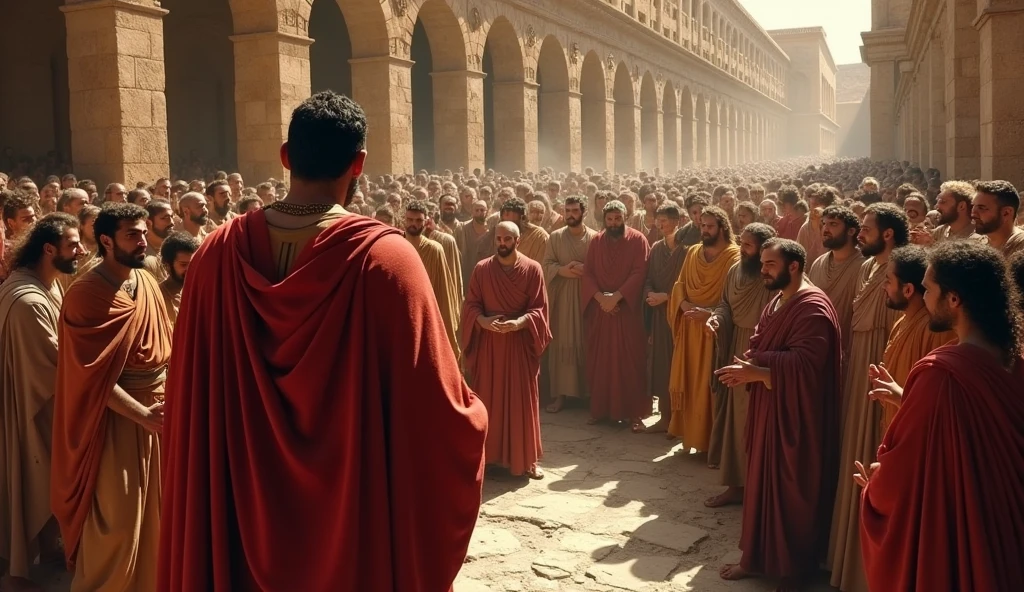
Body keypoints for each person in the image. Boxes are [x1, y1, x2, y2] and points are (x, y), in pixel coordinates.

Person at [158, 91, 487, 592]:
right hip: (350, 532)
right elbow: (437, 410)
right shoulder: (386, 261)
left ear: (286, 157)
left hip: (236, 523)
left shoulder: (214, 256)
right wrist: (476, 415)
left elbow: (191, 401)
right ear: (359, 164)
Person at [858, 240, 1024, 591]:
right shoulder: (1016, 362)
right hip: (1009, 538)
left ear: (953, 299)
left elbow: (900, 475)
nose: (923, 295)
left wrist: (874, 486)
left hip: (959, 533)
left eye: (929, 288)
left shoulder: (940, 373)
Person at [51, 203, 172, 591]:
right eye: (131, 235)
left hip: (161, 417)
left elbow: (167, 350)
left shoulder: (149, 282)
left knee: (161, 517)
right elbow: (88, 375)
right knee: (118, 524)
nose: (142, 240)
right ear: (105, 241)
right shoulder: (86, 294)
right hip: (114, 424)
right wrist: (141, 414)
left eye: (142, 232)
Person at [716, 238, 841, 591]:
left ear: (794, 266)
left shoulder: (813, 306)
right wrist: (752, 363)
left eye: (771, 264)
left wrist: (759, 371)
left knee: (792, 490)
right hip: (770, 407)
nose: (763, 269)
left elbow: (809, 366)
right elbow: (761, 340)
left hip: (797, 416)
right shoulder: (776, 300)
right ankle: (754, 559)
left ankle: (794, 570)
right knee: (760, 485)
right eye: (764, 263)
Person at [828, 202, 909, 592]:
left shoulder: (903, 271)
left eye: (867, 229)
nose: (860, 234)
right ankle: (843, 559)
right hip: (857, 371)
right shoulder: (866, 267)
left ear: (888, 234)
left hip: (882, 377)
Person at [0, 213, 82, 592]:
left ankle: (52, 553)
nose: (81, 249)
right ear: (48, 249)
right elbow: (56, 368)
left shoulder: (50, 284)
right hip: (33, 409)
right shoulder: (27, 300)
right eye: (72, 244)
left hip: (50, 404)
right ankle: (18, 576)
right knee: (32, 483)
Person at [462, 221, 550, 479]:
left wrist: (520, 323)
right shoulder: (481, 269)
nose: (502, 243)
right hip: (489, 346)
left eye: (507, 239)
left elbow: (540, 309)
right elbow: (471, 306)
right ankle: (488, 459)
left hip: (518, 345)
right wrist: (482, 321)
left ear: (517, 240)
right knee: (488, 400)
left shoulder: (533, 269)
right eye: (498, 238)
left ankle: (525, 461)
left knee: (521, 402)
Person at [705, 223, 776, 507]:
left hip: (761, 353)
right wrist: (717, 319)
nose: (742, 248)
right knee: (736, 421)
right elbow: (725, 304)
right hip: (736, 348)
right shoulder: (735, 271)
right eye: (741, 242)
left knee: (757, 423)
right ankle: (736, 486)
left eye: (748, 244)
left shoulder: (771, 277)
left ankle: (759, 489)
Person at [667, 206, 740, 449]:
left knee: (711, 387)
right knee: (689, 383)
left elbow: (735, 299)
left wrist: (708, 315)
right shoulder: (693, 252)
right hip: (690, 329)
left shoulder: (734, 256)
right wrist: (685, 304)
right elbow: (680, 285)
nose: (705, 230)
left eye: (710, 226)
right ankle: (692, 438)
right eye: (702, 226)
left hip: (714, 331)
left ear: (722, 227)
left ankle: (713, 444)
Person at [867, 246, 956, 431]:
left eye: (888, 281)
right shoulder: (902, 321)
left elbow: (938, 402)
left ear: (907, 289)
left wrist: (898, 395)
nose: (884, 287)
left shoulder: (935, 331)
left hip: (917, 435)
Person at [582, 200, 650, 430]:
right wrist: (602, 299)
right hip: (602, 312)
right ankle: (600, 410)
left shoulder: (638, 240)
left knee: (631, 363)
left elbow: (639, 272)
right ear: (604, 220)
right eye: (609, 219)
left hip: (627, 313)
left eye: (617, 219)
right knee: (600, 362)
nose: (613, 223)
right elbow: (588, 273)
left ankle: (633, 413)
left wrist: (617, 297)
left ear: (625, 217)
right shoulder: (596, 241)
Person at [542, 195, 596, 413]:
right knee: (562, 343)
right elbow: (546, 265)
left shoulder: (594, 238)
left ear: (583, 212)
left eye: (575, 211)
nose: (570, 215)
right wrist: (563, 270)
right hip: (562, 298)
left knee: (586, 343)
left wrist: (583, 270)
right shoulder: (554, 237)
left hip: (586, 297)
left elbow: (599, 268)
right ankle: (561, 396)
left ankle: (588, 394)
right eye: (567, 211)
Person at [642, 203, 689, 432]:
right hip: (660, 317)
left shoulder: (688, 250)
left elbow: (689, 285)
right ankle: (665, 416)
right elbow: (648, 276)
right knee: (661, 366)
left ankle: (682, 420)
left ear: (678, 221)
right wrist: (650, 293)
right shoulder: (656, 248)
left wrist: (668, 297)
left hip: (680, 316)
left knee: (679, 366)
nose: (661, 224)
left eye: (666, 220)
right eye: (658, 219)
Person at [404, 201, 462, 360]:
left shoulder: (435, 250)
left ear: (426, 222)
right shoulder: (396, 245)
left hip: (428, 319)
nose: (413, 224)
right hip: (401, 319)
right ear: (404, 219)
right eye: (410, 220)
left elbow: (443, 291)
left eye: (418, 221)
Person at [807, 206, 865, 356]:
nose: (825, 229)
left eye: (833, 224)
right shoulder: (818, 264)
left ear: (851, 231)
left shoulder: (864, 266)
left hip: (849, 351)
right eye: (824, 224)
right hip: (816, 348)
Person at [972, 179, 1024, 258]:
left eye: (981, 208)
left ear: (1006, 213)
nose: (973, 213)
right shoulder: (977, 245)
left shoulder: (1020, 248)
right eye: (973, 206)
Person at [158, 231, 200, 327]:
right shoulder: (158, 297)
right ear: (167, 265)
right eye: (184, 265)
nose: (190, 269)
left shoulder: (201, 291)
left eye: (193, 263)